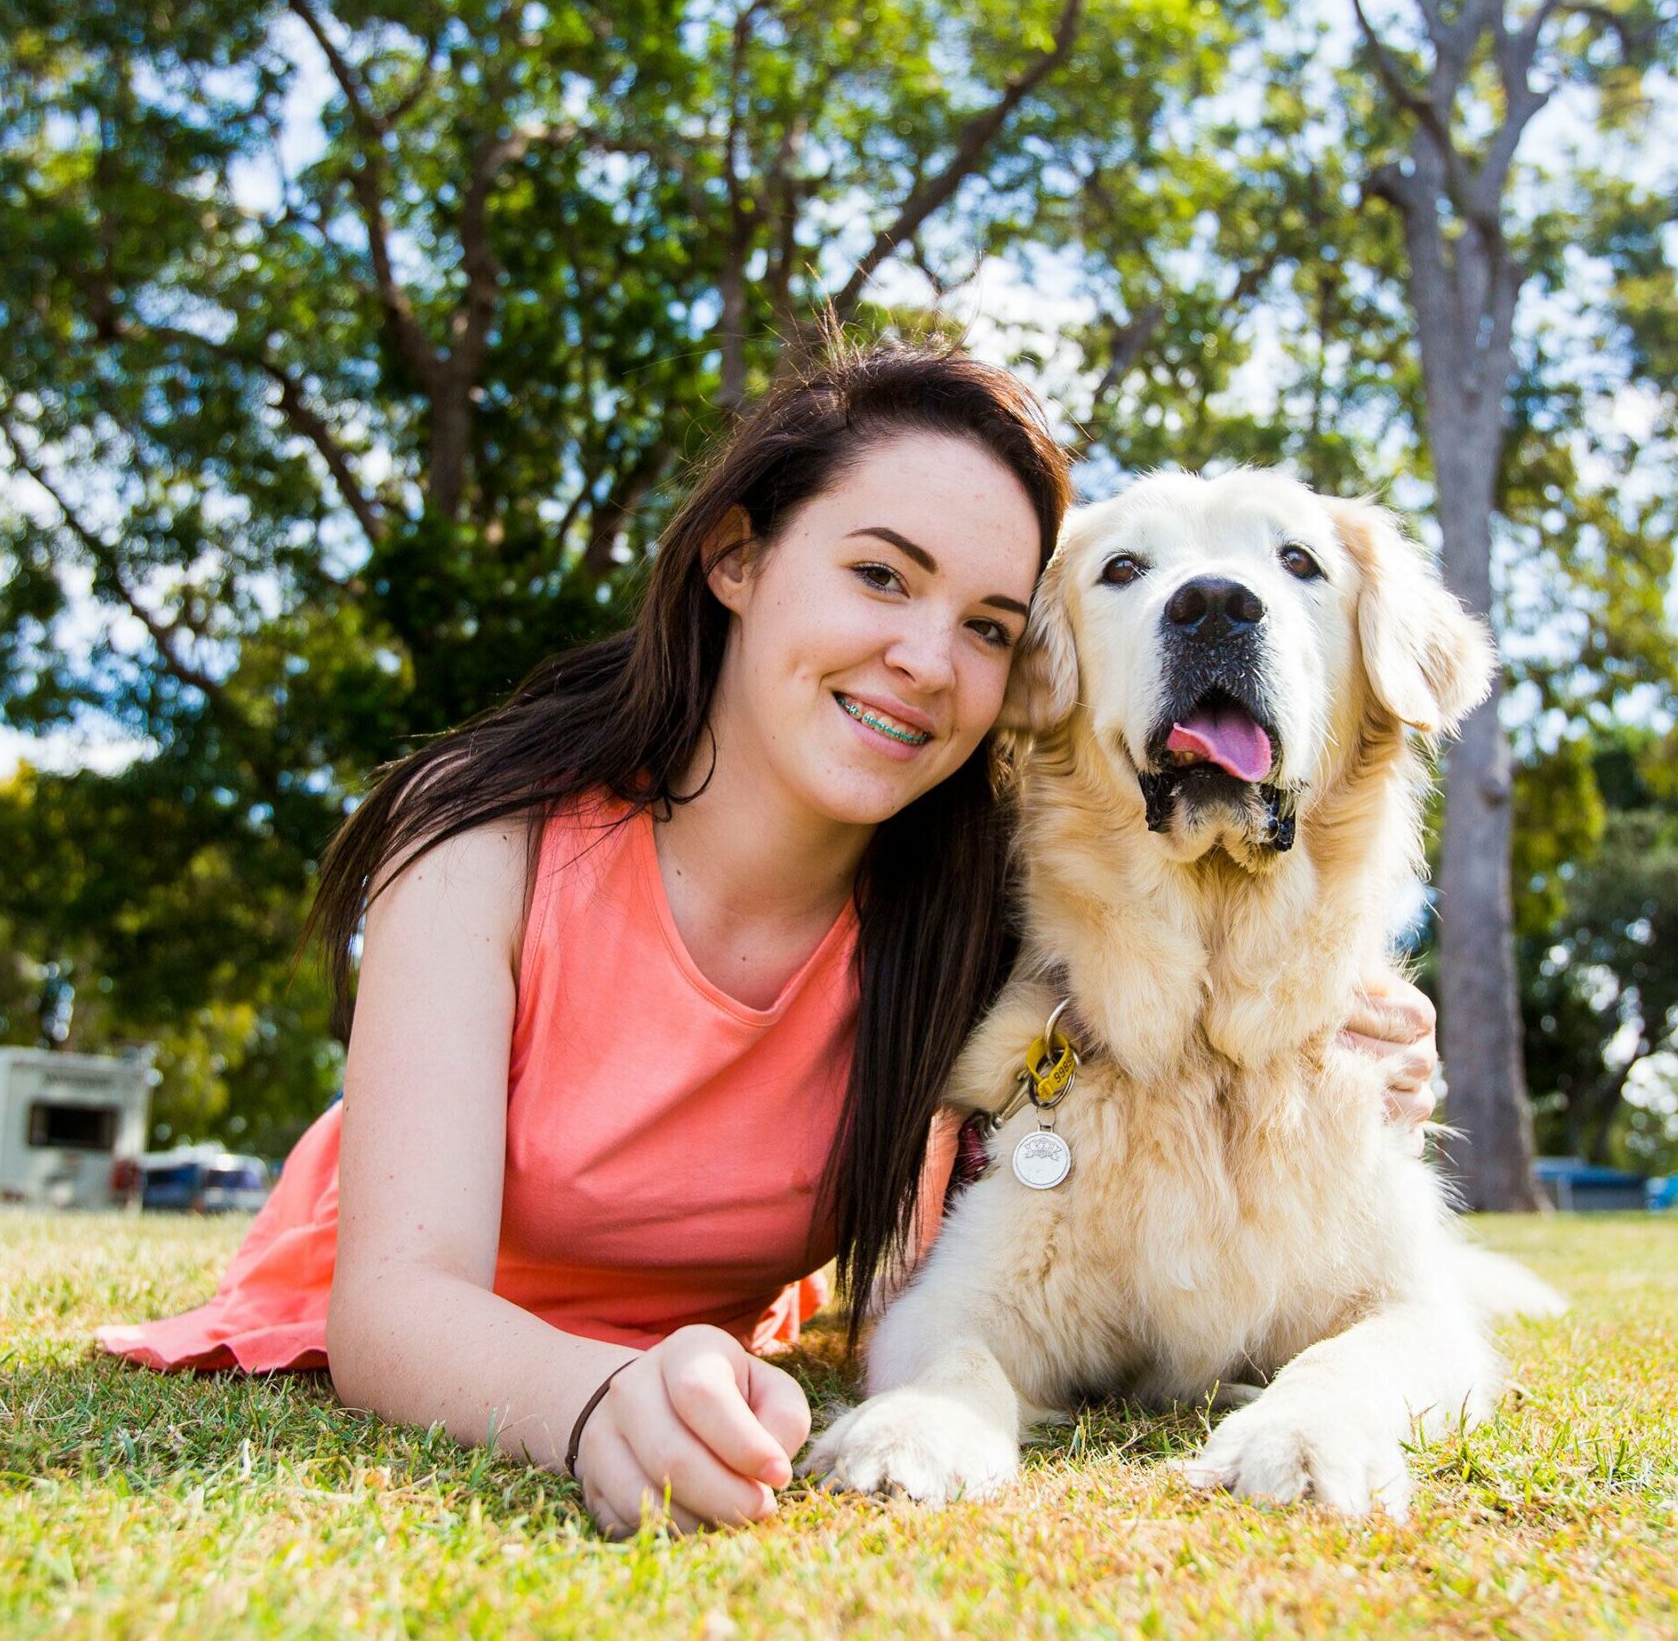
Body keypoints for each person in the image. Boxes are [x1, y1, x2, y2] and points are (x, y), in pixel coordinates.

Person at [94, 339, 1442, 1539]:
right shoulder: (483, 843)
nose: (923, 657)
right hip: (416, 1328)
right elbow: (392, 1314)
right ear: (735, 556)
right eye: (877, 575)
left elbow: (1184, 952)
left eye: (983, 624)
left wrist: (1351, 1018)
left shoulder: (972, 916)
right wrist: (598, 1402)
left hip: (706, 1355)